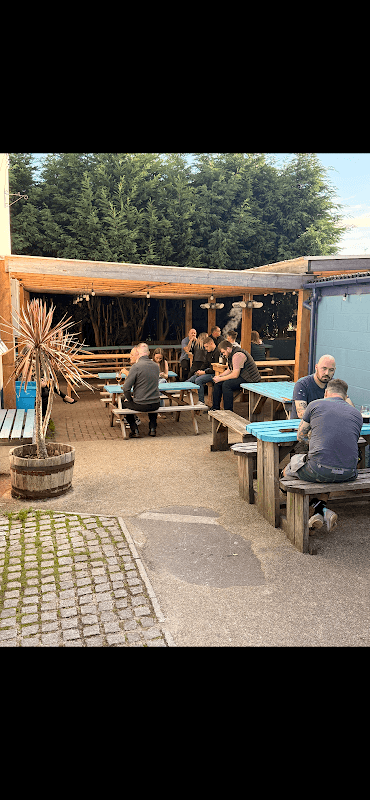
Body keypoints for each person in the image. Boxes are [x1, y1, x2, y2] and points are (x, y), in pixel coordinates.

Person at [283, 379, 363, 532]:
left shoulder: (315, 404)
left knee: (287, 472)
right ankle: (322, 512)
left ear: (326, 392)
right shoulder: (356, 414)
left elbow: (301, 436)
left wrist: (315, 440)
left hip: (318, 469)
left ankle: (308, 515)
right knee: (329, 471)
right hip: (349, 472)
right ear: (346, 396)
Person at [290, 354, 354, 420]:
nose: (327, 373)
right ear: (316, 367)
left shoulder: (335, 385)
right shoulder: (303, 384)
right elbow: (302, 414)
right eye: (324, 368)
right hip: (300, 426)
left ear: (334, 370)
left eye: (331, 370)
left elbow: (351, 410)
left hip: (326, 424)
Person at [121, 342, 160, 437]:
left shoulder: (136, 367)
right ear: (149, 353)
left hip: (141, 404)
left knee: (123, 401)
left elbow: (126, 388)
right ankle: (152, 428)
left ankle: (135, 430)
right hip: (156, 404)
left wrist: (129, 399)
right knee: (151, 397)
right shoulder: (156, 366)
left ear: (138, 352)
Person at [211, 339, 261, 412]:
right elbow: (229, 369)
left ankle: (228, 411)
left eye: (223, 352)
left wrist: (221, 379)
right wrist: (219, 377)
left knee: (226, 385)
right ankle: (215, 408)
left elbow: (235, 375)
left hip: (250, 379)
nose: (223, 355)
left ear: (228, 349)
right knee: (217, 383)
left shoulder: (238, 355)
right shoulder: (231, 354)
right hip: (243, 376)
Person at [187, 336, 221, 404]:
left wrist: (204, 372)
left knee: (198, 380)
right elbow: (205, 363)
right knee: (193, 377)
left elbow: (215, 369)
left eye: (206, 346)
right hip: (208, 371)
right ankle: (182, 389)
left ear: (211, 343)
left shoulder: (218, 352)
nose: (205, 348)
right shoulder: (209, 352)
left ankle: (201, 401)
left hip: (216, 374)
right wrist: (200, 370)